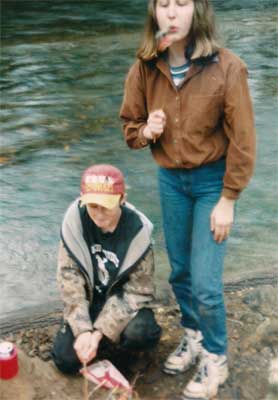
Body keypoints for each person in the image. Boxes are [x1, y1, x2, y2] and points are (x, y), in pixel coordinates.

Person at [120, 1, 256, 399]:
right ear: (155, 14)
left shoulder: (229, 68)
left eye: (182, 3)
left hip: (214, 182)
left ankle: (216, 357)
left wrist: (229, 198)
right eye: (164, 4)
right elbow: (130, 129)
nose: (172, 13)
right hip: (171, 182)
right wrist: (148, 130)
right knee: (180, 273)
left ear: (198, 12)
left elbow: (244, 144)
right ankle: (194, 336)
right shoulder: (145, 67)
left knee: (207, 284)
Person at [52, 164, 161, 375]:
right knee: (65, 361)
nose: (99, 215)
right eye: (93, 206)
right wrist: (83, 331)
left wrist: (100, 332)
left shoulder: (138, 232)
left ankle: (123, 350)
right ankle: (97, 342)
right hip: (90, 301)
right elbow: (69, 278)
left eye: (106, 207)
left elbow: (138, 291)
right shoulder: (74, 223)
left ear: (122, 199)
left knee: (141, 334)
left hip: (123, 303)